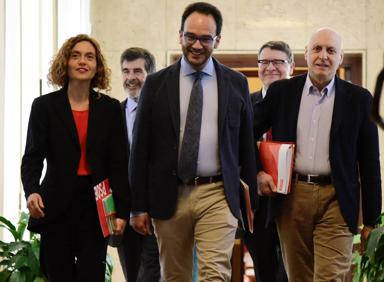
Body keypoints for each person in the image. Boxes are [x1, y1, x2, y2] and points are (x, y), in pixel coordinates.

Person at [129, 2, 257, 281]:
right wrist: (137, 206)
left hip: (218, 193)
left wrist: (251, 204)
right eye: (191, 37)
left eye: (205, 38)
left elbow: (246, 147)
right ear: (180, 35)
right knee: (175, 276)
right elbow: (140, 150)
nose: (197, 45)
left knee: (215, 274)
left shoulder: (236, 83)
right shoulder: (156, 84)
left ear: (218, 40)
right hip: (169, 194)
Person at [253, 27, 382, 282]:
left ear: (340, 57)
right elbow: (244, 132)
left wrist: (371, 220)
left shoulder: (359, 99)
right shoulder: (282, 92)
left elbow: (369, 163)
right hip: (292, 197)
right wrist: (257, 171)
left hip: (337, 198)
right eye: (317, 49)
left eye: (331, 50)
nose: (323, 56)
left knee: (330, 277)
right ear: (306, 54)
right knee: (299, 277)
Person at [21, 34, 131, 282]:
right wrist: (32, 191)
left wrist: (122, 212)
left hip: (97, 203)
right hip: (56, 201)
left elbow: (118, 163)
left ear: (97, 66)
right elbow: (32, 157)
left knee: (92, 274)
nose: (83, 61)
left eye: (89, 57)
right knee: (57, 273)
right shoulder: (44, 107)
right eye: (75, 55)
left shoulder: (110, 108)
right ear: (65, 63)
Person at [244, 41, 293, 282]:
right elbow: (235, 147)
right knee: (265, 270)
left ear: (291, 67)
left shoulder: (298, 105)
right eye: (264, 62)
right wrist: (256, 174)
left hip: (293, 201)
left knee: (292, 270)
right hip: (257, 203)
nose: (270, 67)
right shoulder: (244, 103)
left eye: (278, 62)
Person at [114, 47, 160, 282]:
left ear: (150, 75)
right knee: (132, 276)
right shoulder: (114, 113)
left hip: (158, 214)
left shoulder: (164, 112)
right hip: (124, 214)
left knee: (151, 277)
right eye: (125, 71)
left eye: (137, 71)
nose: (131, 77)